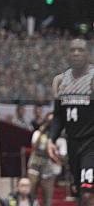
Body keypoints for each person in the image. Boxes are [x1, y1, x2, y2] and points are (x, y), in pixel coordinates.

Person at [48, 39, 94, 206]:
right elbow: (58, 116)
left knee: (88, 192)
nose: (76, 53)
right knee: (80, 193)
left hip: (91, 144)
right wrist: (51, 140)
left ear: (88, 54)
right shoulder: (60, 81)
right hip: (73, 144)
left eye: (80, 50)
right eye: (72, 50)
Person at [28, 113, 61, 206]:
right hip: (35, 164)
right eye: (48, 121)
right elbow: (34, 147)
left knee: (47, 197)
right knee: (31, 192)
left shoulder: (57, 137)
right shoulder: (37, 133)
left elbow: (58, 155)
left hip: (48, 168)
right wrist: (42, 132)